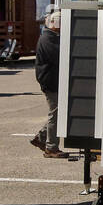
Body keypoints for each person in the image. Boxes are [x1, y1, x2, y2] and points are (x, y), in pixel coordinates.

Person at [32, 10, 67, 158]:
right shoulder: (48, 38)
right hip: (50, 82)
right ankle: (51, 147)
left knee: (57, 112)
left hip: (52, 80)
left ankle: (41, 138)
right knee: (56, 113)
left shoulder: (50, 36)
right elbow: (60, 55)